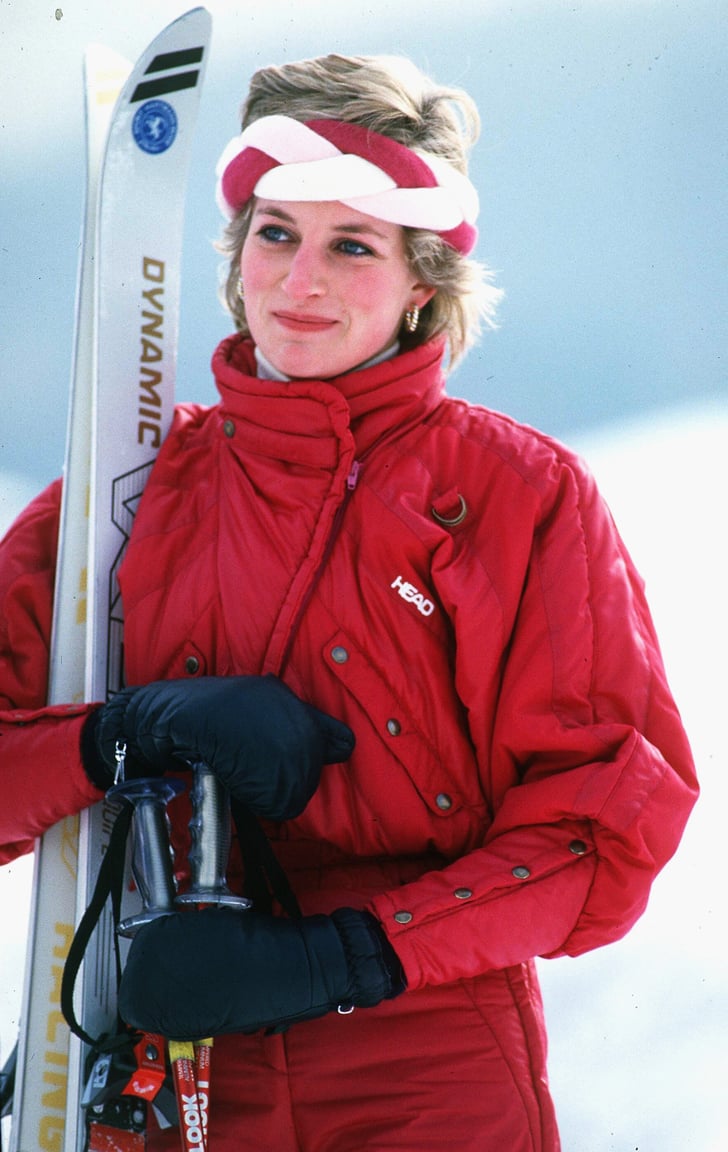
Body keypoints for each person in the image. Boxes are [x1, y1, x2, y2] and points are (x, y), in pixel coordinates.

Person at [0, 52, 698, 1152]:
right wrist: (117, 739)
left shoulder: (514, 497)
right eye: (275, 234)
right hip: (168, 1053)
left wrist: (339, 957)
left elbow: (600, 826)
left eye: (352, 247)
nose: (300, 281)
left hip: (426, 1063)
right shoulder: (119, 495)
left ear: (423, 280)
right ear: (234, 254)